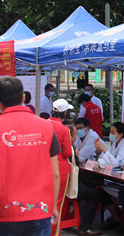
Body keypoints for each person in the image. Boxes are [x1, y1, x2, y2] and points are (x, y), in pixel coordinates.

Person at [0, 76, 60, 236]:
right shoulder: (46, 127)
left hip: (6, 211)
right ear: (23, 98)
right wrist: (53, 206)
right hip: (40, 210)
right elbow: (55, 173)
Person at [49, 99, 73, 236]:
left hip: (44, 168)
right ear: (64, 113)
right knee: (56, 204)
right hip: (60, 169)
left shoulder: (43, 124)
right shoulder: (64, 129)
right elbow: (67, 152)